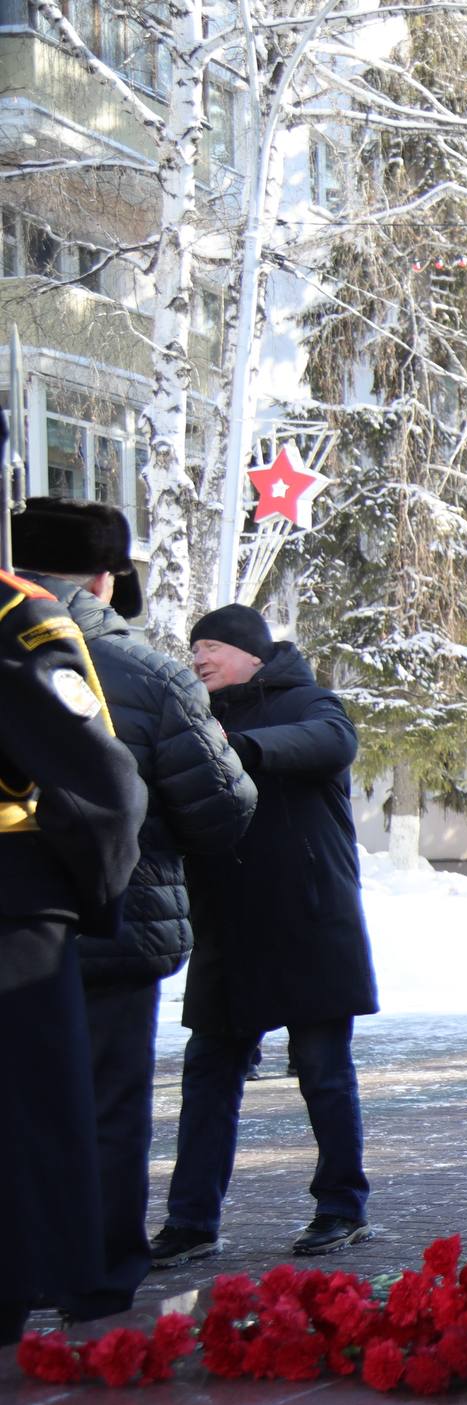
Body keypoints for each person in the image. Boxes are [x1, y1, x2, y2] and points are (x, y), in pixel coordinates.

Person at [19, 500, 256, 1309]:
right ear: (104, 574)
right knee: (109, 1109)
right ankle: (96, 1280)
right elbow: (224, 804)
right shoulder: (148, 672)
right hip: (116, 919)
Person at [157, 604, 379, 1262]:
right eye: (193, 648)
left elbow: (330, 743)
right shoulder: (193, 720)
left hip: (309, 920)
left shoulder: (309, 701)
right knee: (207, 1079)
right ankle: (191, 1223)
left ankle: (342, 1208)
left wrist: (241, 750)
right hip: (228, 928)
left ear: (254, 655)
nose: (198, 658)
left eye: (212, 647)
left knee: (324, 1073)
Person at [0, 563, 144, 1343]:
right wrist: (92, 896)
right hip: (12, 917)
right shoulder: (16, 613)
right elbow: (104, 788)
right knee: (34, 1131)